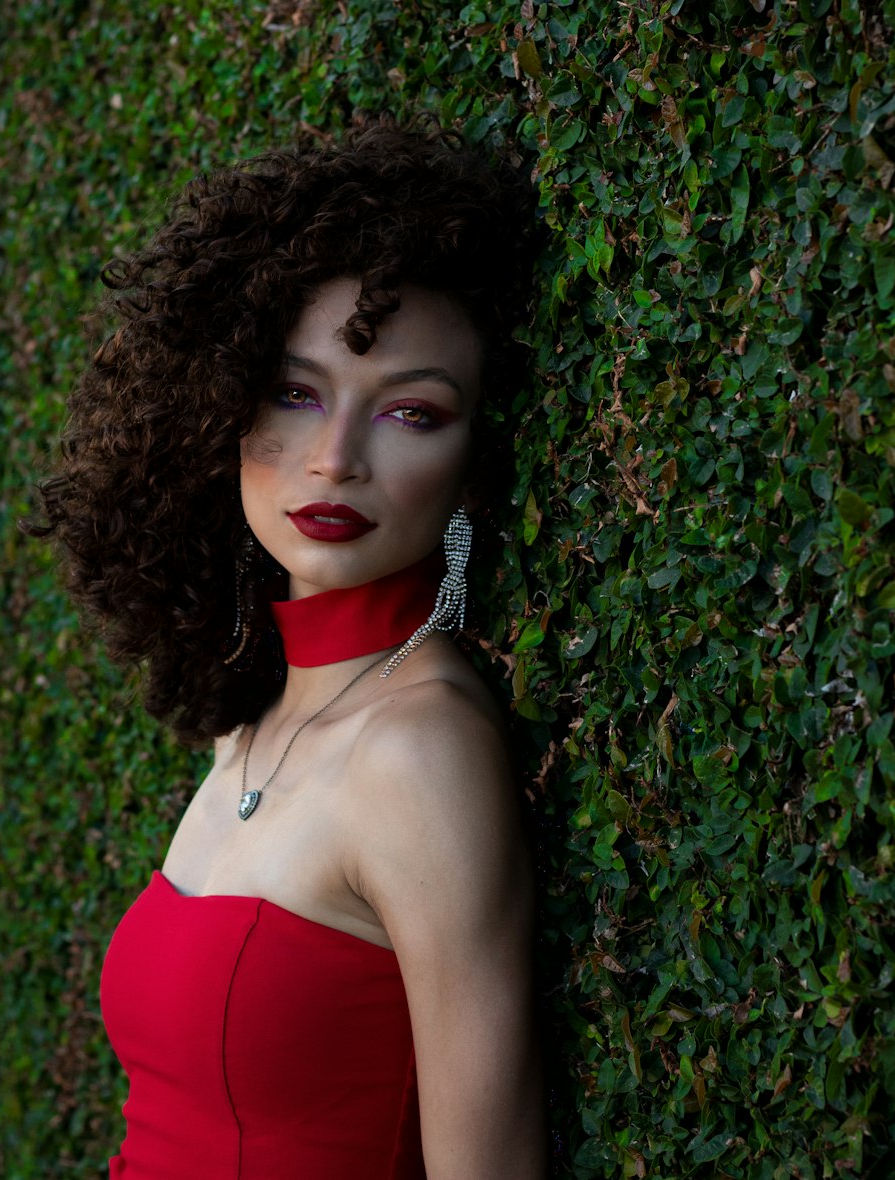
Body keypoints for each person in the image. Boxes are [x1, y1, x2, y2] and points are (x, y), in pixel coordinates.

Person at [31, 117, 544, 1178]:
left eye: (411, 412)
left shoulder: (421, 751)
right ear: (215, 405)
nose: (334, 457)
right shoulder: (255, 717)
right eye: (295, 392)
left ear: (471, 466)